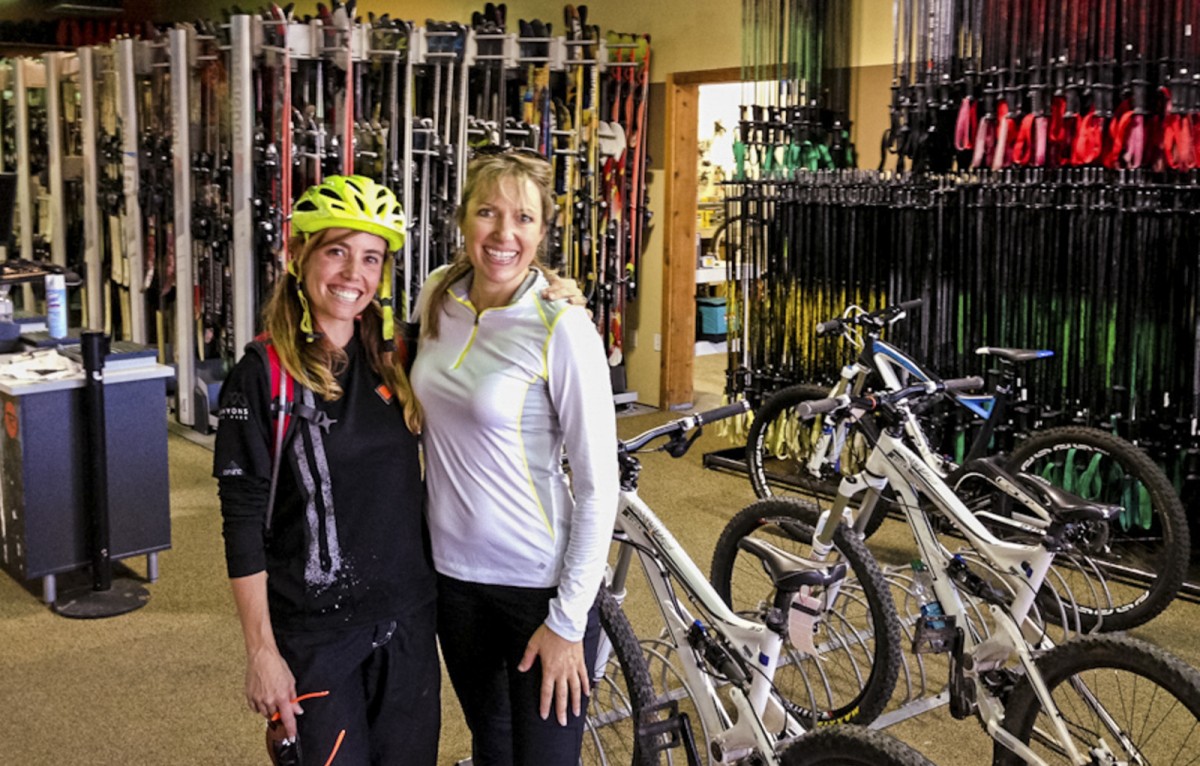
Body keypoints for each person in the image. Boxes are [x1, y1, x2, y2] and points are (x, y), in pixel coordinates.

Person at [213, 175, 438, 766]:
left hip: (409, 622)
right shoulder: (263, 374)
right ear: (300, 255)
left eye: (370, 258)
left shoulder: (396, 356)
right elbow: (241, 521)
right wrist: (262, 652)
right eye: (336, 251)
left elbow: (484, 309)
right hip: (316, 635)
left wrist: (550, 290)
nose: (352, 274)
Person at [410, 149, 620, 765]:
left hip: (538, 586)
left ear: (542, 231)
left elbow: (598, 485)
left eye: (523, 218)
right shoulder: (437, 294)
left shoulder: (562, 325)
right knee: (491, 749)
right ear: (461, 220)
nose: (504, 233)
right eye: (487, 212)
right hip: (453, 581)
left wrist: (568, 620)